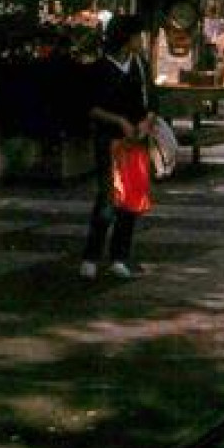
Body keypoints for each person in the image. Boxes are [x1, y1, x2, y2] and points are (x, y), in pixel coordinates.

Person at [81, 16, 156, 280]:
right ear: (126, 38)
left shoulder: (140, 65)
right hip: (110, 139)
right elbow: (91, 107)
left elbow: (151, 102)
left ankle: (119, 256)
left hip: (136, 139)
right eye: (137, 35)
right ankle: (91, 256)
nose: (140, 40)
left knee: (132, 198)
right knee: (108, 197)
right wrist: (119, 121)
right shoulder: (101, 68)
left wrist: (147, 122)